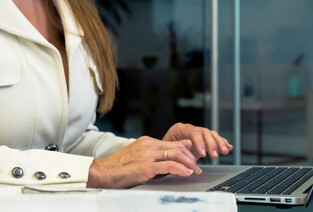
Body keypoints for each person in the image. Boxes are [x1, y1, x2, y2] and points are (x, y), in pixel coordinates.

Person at [0, 0, 233, 189]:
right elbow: (89, 169)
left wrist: (157, 155)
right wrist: (95, 171)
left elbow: (69, 141)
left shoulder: (76, 9)